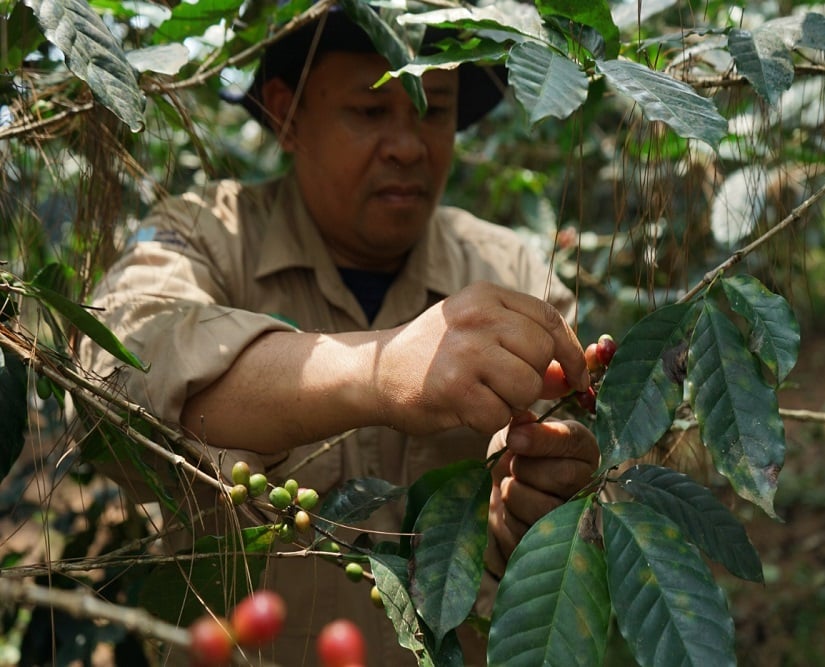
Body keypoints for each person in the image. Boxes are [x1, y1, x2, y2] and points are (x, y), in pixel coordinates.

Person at [77, 6, 599, 666]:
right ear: (287, 115)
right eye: (372, 110)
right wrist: (377, 373)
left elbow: (584, 453)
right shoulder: (208, 235)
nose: (409, 146)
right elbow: (111, 372)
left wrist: (544, 491)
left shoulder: (513, 272)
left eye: (432, 111)